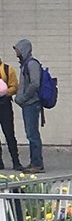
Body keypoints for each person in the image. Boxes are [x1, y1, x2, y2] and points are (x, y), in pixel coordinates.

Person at [13, 38, 44, 173]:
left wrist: (23, 98)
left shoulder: (31, 64)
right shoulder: (26, 64)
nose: (16, 53)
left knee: (32, 134)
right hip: (28, 104)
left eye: (18, 50)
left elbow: (35, 84)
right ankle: (34, 162)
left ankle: (37, 163)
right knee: (30, 134)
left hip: (32, 103)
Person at [0, 54, 23, 171]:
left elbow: (14, 86)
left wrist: (5, 92)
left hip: (4, 105)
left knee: (9, 134)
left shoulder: (8, 69)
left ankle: (16, 161)